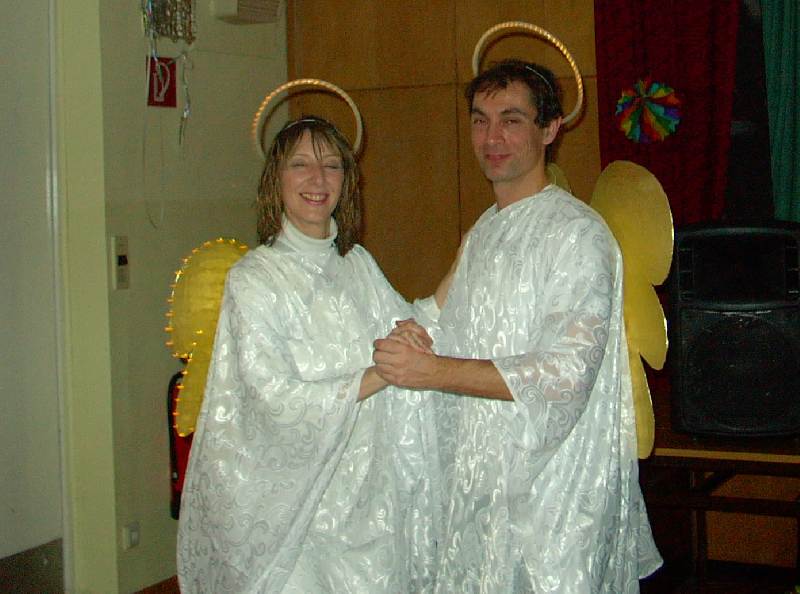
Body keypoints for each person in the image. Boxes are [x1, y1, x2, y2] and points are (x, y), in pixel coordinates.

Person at [373, 59, 663, 593]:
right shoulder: (485, 230)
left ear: (550, 129)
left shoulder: (578, 234)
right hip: (485, 486)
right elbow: (442, 317)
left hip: (554, 497)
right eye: (480, 120)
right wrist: (406, 335)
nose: (492, 138)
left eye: (511, 120)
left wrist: (433, 371)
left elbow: (564, 375)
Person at [177, 116, 442, 593]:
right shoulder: (255, 279)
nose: (318, 179)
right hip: (298, 508)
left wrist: (459, 269)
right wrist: (380, 373)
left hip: (368, 497)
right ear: (276, 179)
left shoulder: (357, 264)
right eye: (301, 164)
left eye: (331, 165)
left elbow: (406, 329)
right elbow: (270, 397)